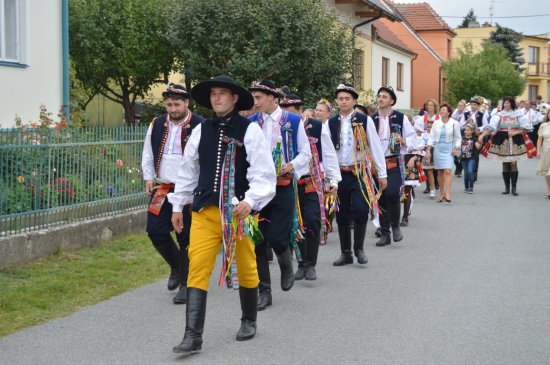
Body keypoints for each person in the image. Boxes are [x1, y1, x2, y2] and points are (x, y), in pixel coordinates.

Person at [168, 75, 276, 354]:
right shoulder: (201, 130)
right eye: (213, 94)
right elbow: (188, 170)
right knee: (197, 266)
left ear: (235, 98)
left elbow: (264, 174)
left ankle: (249, 319)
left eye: (222, 93)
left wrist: (250, 201)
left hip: (238, 215)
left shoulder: (250, 131)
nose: (217, 98)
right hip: (204, 213)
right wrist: (178, 205)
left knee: (246, 264)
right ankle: (192, 335)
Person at [248, 80, 312, 311]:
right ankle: (264, 290)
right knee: (257, 240)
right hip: (257, 189)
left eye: (258, 98)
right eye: (253, 98)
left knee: (277, 237)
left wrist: (291, 165)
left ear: (273, 97)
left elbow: (306, 153)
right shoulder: (251, 123)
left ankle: (286, 263)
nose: (254, 103)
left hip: (282, 186)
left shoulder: (293, 121)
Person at [141, 83, 204, 305]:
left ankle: (186, 284)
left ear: (186, 103)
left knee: (185, 237)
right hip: (163, 188)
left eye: (177, 104)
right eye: (169, 104)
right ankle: (177, 267)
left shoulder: (200, 125)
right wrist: (149, 176)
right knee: (154, 231)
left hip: (188, 190)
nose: (173, 108)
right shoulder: (157, 123)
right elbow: (148, 152)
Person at [279, 92, 341, 280]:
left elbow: (329, 153)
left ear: (300, 110)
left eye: (290, 111)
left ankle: (311, 264)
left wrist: (333, 180)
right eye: (284, 111)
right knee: (294, 224)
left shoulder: (315, 126)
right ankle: (301, 263)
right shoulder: (278, 127)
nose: (286, 116)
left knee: (312, 222)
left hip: (311, 181)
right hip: (288, 183)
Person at [327, 83, 387, 263]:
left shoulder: (364, 120)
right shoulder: (330, 122)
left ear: (354, 100)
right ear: (337, 101)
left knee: (361, 210)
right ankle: (346, 253)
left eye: (347, 98)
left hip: (359, 172)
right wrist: (328, 175)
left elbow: (375, 147)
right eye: (340, 99)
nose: (343, 102)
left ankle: (359, 248)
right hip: (338, 174)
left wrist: (382, 174)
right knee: (342, 213)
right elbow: (326, 150)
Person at [372, 86, 416, 247]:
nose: (381, 99)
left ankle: (396, 226)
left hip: (393, 162)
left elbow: (412, 136)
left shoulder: (400, 117)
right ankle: (385, 233)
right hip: (377, 165)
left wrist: (403, 141)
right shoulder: (372, 118)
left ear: (391, 101)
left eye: (384, 96)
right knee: (381, 197)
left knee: (392, 193)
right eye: (379, 96)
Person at [479, 96, 535, 196]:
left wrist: (515, 132)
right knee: (505, 163)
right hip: (502, 140)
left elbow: (527, 128)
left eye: (508, 103)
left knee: (513, 163)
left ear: (512, 104)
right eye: (504, 103)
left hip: (515, 140)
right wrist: (482, 135)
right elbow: (492, 127)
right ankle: (506, 187)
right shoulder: (499, 115)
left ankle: (514, 188)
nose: (505, 104)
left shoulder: (519, 114)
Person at [426, 103, 461, 203]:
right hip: (438, 148)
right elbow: (431, 137)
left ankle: (448, 193)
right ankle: (442, 193)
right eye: (441, 109)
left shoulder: (454, 123)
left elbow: (458, 138)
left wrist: (456, 148)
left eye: (444, 110)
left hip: (449, 148)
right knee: (440, 172)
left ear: (449, 112)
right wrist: (428, 150)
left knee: (447, 171)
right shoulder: (436, 123)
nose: (441, 111)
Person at [401, 118, 426, 227]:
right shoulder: (394, 133)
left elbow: (420, 151)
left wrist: (413, 158)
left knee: (407, 189)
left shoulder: (416, 137)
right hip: (396, 161)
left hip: (409, 162)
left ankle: (405, 216)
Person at [460, 96, 488, 183]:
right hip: (467, 137)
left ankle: (474, 173)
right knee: (466, 154)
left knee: (475, 155)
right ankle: (467, 172)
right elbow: (460, 125)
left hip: (476, 136)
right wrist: (466, 122)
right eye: (471, 104)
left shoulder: (482, 114)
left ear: (478, 106)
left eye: (475, 104)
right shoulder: (466, 114)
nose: (472, 106)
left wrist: (478, 128)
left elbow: (486, 126)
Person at [416, 99, 439, 198]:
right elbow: (417, 129)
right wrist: (422, 133)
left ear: (435, 107)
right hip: (425, 144)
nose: (429, 107)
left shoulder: (438, 117)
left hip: (436, 144)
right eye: (428, 105)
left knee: (435, 168)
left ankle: (436, 182)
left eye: (431, 105)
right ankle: (428, 186)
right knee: (427, 168)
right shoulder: (422, 118)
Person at [460, 123, 483, 193]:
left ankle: (471, 187)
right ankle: (466, 187)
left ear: (472, 131)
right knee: (466, 173)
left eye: (468, 130)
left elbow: (478, 147)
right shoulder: (461, 138)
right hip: (463, 158)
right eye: (465, 130)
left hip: (471, 158)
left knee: (470, 171)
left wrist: (480, 142)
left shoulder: (474, 139)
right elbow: (457, 147)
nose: (466, 131)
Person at [536, 110, 550, 198]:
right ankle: (549, 189)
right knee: (546, 170)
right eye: (549, 113)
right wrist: (538, 151)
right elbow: (539, 139)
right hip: (546, 150)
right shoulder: (543, 125)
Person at [451, 100, 466, 177]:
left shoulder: (466, 114)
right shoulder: (454, 113)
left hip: (463, 133)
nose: (459, 107)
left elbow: (466, 124)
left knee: (463, 152)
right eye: (458, 105)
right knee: (454, 152)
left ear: (464, 106)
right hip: (455, 133)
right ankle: (458, 165)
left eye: (461, 106)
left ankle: (460, 169)